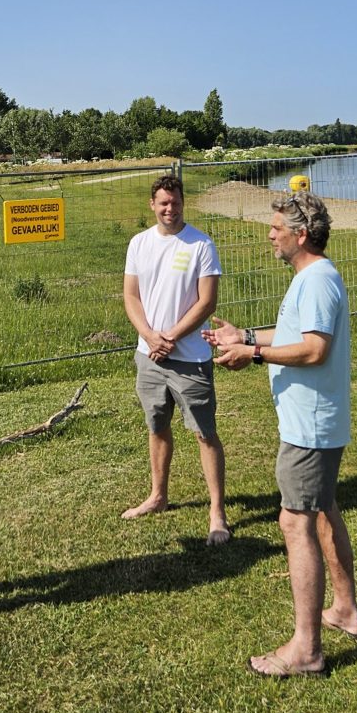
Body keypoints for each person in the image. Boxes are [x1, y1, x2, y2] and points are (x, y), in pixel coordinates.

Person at [202, 191, 357, 678]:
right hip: (315, 422)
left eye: (276, 228)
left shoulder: (316, 281)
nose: (269, 235)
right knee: (323, 511)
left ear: (300, 234)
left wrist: (252, 356)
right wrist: (246, 337)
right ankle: (345, 610)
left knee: (295, 523)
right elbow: (295, 334)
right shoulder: (313, 278)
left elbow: (313, 349)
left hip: (309, 427)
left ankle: (307, 649)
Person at [122, 175, 231, 544]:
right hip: (148, 356)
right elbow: (131, 297)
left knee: (204, 433)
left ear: (184, 203)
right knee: (157, 427)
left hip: (190, 359)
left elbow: (207, 302)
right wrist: (151, 337)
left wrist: (170, 337)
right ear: (152, 205)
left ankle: (217, 512)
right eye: (163, 203)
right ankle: (158, 496)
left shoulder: (201, 244)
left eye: (176, 202)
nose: (170, 209)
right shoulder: (139, 243)